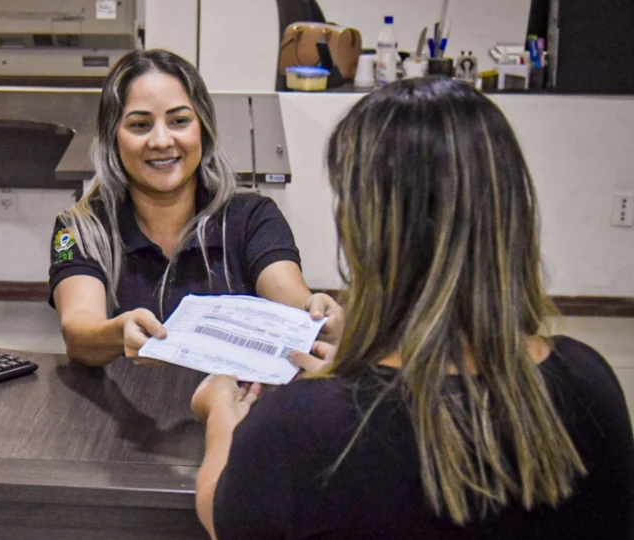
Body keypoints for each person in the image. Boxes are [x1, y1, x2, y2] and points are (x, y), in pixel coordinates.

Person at [191, 77, 634, 539]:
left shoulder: (298, 429)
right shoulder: (590, 386)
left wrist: (223, 417)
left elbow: (223, 516)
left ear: (358, 228)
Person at [49, 49, 342, 367]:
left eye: (179, 121)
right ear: (112, 138)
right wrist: (117, 331)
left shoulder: (252, 217)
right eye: (140, 125)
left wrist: (313, 313)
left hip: (233, 407)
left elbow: (287, 292)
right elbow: (78, 331)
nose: (161, 140)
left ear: (202, 128)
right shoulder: (81, 227)